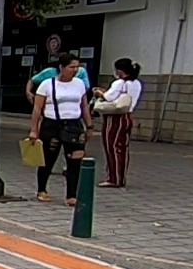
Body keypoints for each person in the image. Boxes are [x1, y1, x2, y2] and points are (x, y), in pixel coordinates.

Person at [29, 53, 93, 206]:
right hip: (52, 125)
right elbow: (37, 108)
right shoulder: (47, 84)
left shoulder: (79, 84)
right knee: (48, 159)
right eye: (71, 67)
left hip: (74, 125)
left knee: (75, 160)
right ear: (62, 67)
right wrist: (34, 130)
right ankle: (42, 189)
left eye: (77, 67)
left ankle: (72, 194)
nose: (75, 70)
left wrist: (89, 125)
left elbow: (84, 105)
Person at [93, 57, 143, 188]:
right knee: (122, 148)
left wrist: (99, 92)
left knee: (112, 147)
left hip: (114, 118)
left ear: (120, 71)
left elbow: (108, 97)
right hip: (127, 117)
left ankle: (113, 178)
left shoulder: (119, 83)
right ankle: (121, 177)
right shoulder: (136, 83)